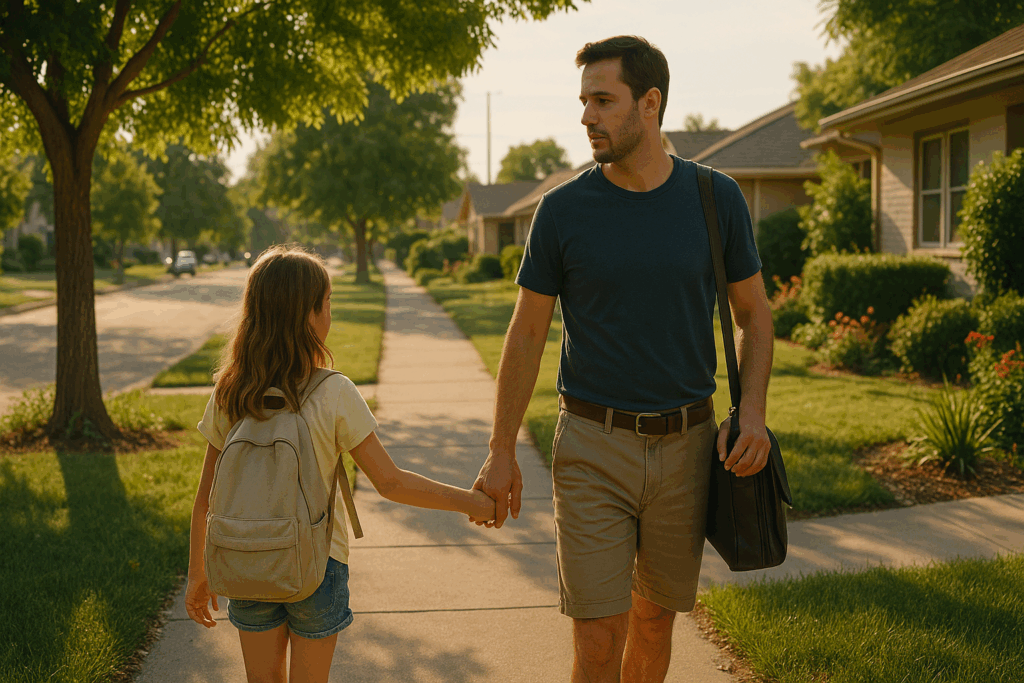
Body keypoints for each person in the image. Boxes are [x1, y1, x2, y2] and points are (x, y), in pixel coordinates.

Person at [471, 35, 774, 682]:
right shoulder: (563, 210)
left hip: (687, 445)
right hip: (591, 446)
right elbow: (526, 334)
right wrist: (500, 447)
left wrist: (751, 412)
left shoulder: (715, 199)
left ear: (650, 103)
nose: (587, 117)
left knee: (654, 621)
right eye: (584, 101)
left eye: (604, 100)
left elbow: (755, 313)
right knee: (600, 638)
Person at [185, 245, 495, 683]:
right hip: (317, 566)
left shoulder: (232, 392)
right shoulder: (332, 393)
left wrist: (198, 573)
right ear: (308, 316)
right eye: (327, 303)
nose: (331, 313)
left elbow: (206, 498)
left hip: (246, 559)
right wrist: (474, 503)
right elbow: (390, 482)